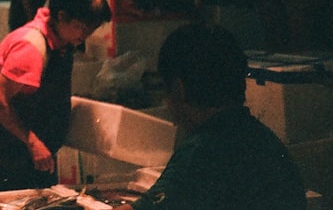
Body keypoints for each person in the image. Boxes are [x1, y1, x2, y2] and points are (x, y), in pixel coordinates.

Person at [117, 23, 307, 210]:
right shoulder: (267, 143)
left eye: (166, 89)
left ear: (179, 89)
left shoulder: (201, 153)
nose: (166, 103)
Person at [0, 0, 111, 192]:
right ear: (61, 17)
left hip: (25, 144)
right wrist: (32, 141)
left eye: (92, 28)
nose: (86, 35)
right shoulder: (31, 47)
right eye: (82, 27)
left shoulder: (62, 41)